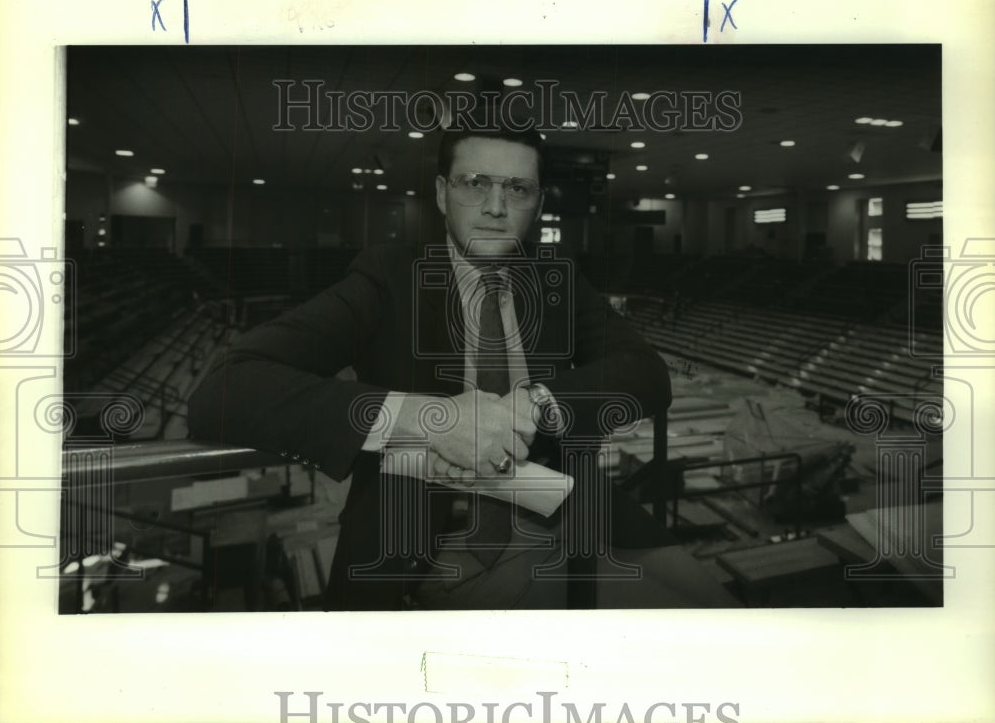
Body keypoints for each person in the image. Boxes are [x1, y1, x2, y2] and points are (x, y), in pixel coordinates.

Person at [187, 121, 737, 610]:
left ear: (537, 202)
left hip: (560, 515)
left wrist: (537, 405)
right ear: (442, 195)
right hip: (423, 548)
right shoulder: (388, 278)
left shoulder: (556, 281)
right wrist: (430, 420)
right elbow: (226, 388)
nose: (497, 206)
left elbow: (646, 374)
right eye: (476, 184)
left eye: (517, 188)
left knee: (720, 620)